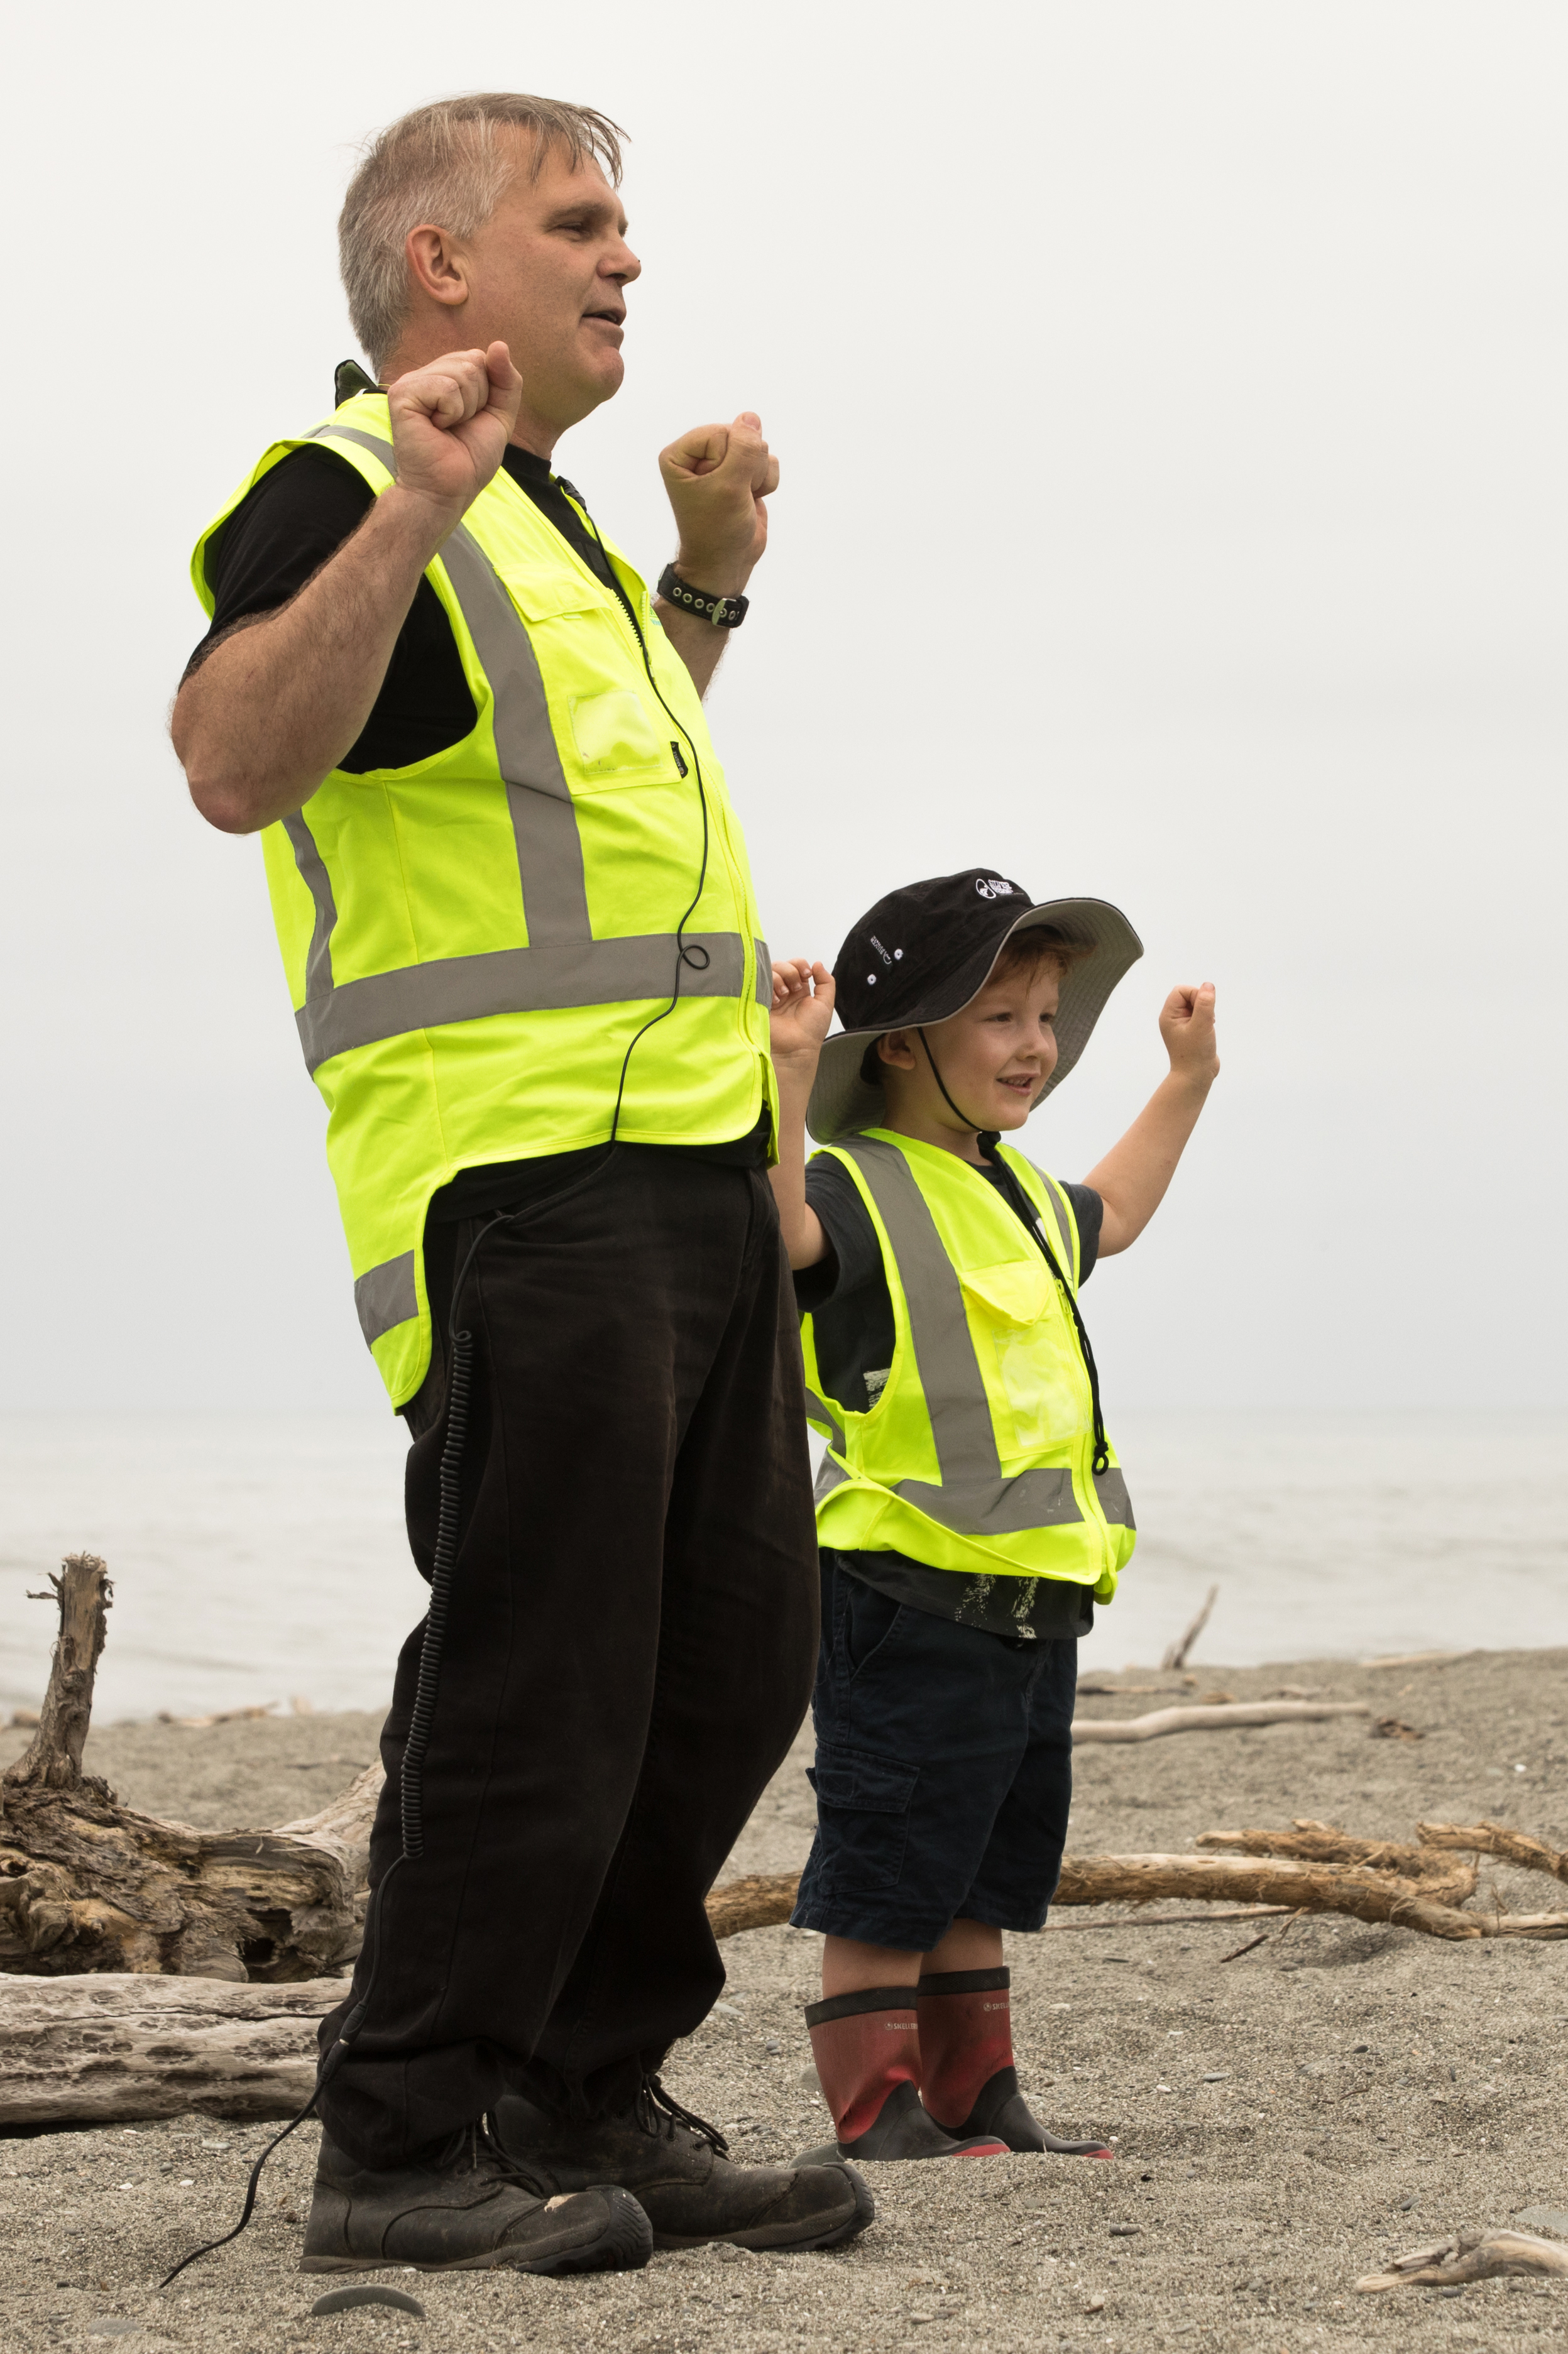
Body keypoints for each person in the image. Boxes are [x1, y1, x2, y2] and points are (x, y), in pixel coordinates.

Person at [173, 96, 862, 2274]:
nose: (627, 254)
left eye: (630, 223)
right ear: (437, 262)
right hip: (518, 1187)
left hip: (690, 1177)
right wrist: (413, 489)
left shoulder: (541, 527)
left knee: (736, 1660)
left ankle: (582, 2090)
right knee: (540, 1678)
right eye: (580, 220)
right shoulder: (353, 487)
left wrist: (701, 587)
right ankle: (401, 2134)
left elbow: (595, 790)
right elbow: (230, 755)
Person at [762, 869, 1218, 2162]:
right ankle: (876, 2105)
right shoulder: (856, 1179)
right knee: (894, 1858)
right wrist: (790, 1072)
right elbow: (771, 1226)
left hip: (1032, 1596)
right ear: (902, 1044)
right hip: (902, 1589)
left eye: (1047, 1017)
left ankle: (978, 2091)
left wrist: (1186, 1078)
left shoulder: (1013, 1195)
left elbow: (1114, 1211)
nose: (1038, 1046)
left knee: (988, 1860)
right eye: (1000, 1018)